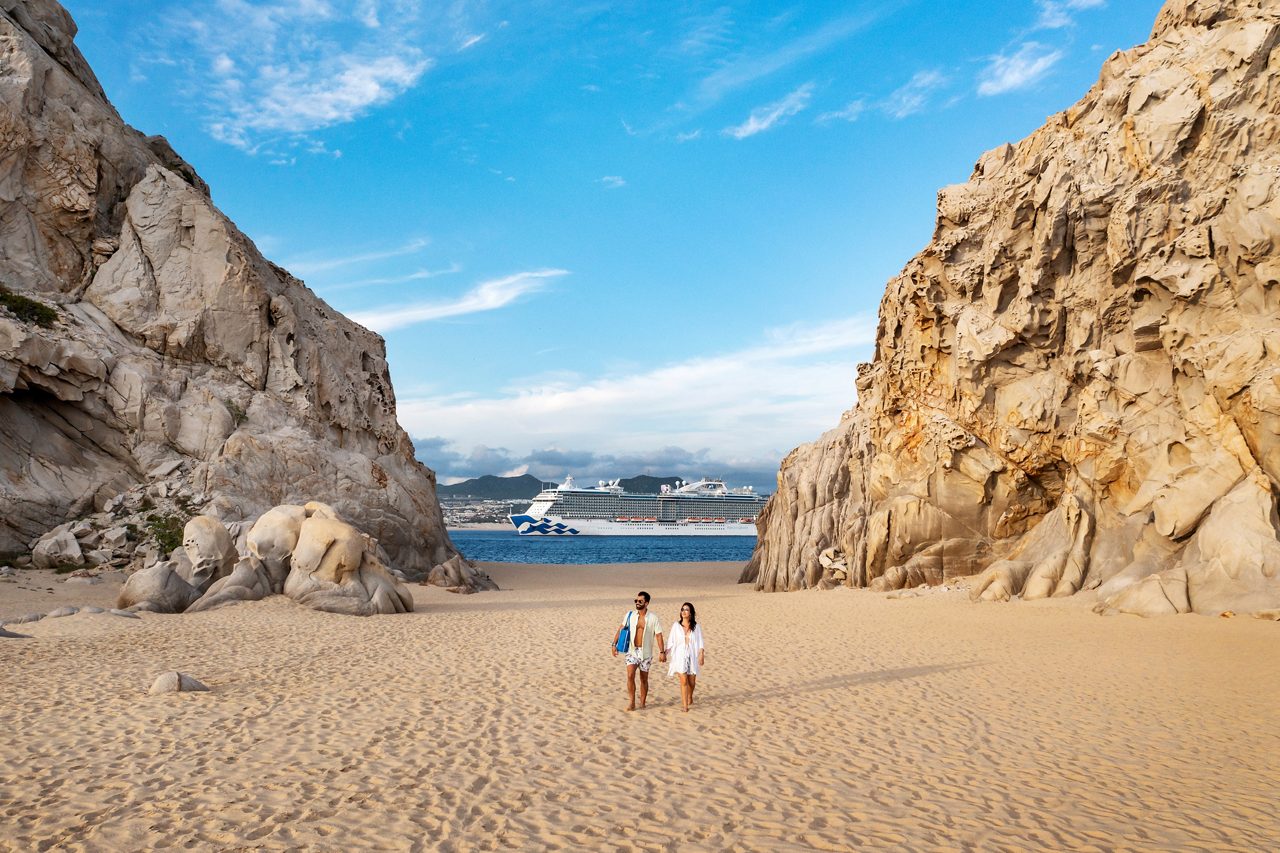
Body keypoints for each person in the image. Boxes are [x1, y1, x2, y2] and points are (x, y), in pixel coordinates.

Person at [611, 590, 665, 711]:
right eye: (636, 600)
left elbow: (659, 635)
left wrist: (662, 652)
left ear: (646, 603)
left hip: (646, 653)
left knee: (643, 678)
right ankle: (631, 702)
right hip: (632, 650)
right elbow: (621, 628)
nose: (637, 603)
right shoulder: (630, 615)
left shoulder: (653, 618)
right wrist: (614, 644)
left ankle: (643, 702)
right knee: (630, 675)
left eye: (640, 601)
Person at [666, 601, 705, 712]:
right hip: (679, 656)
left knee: (691, 682)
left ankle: (690, 696)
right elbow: (671, 642)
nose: (684, 611)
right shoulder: (676, 626)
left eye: (686, 609)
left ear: (691, 613)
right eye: (682, 609)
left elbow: (700, 641)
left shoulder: (696, 627)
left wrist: (701, 654)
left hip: (692, 656)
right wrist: (664, 653)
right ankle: (685, 706)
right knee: (684, 681)